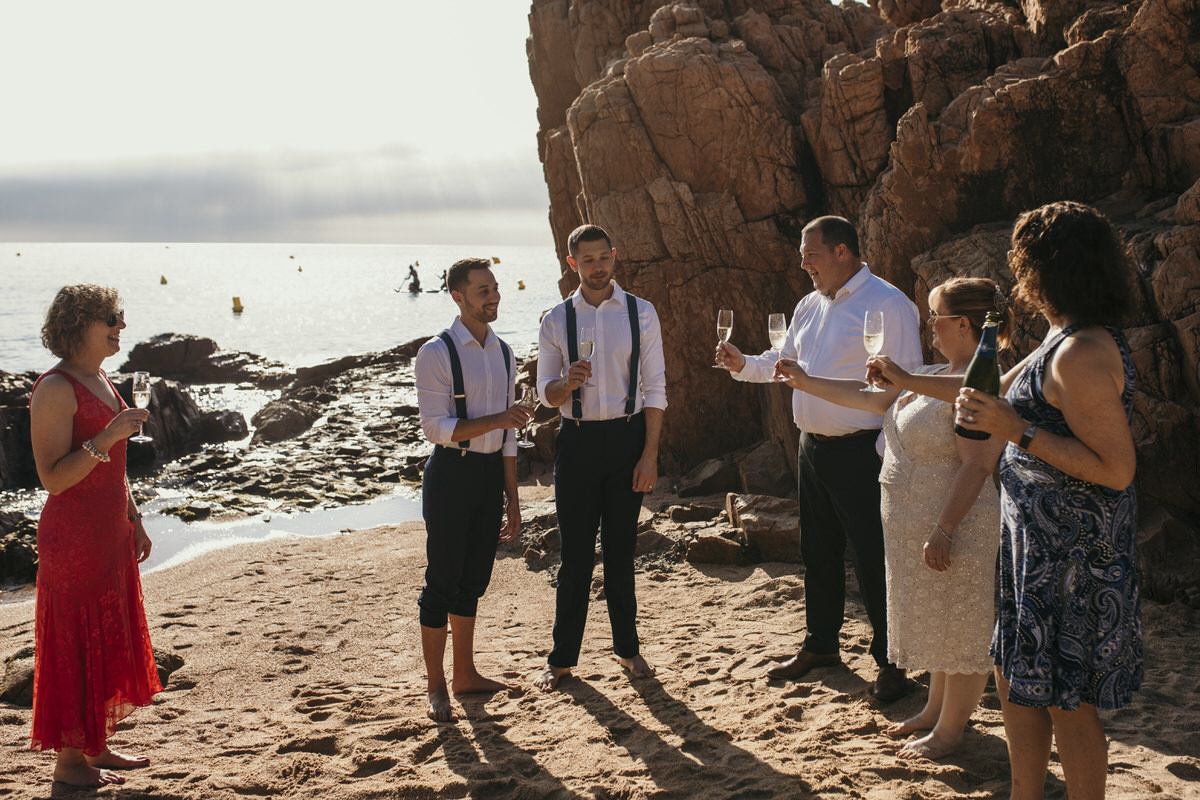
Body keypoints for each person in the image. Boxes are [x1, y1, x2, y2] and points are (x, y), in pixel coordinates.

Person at [951, 202, 1141, 800]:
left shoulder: (1080, 354)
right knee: (1014, 681)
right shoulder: (1061, 335)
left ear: (1044, 269)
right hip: (1033, 547)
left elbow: (1117, 470)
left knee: (1069, 703)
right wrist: (908, 381)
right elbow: (989, 393)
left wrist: (1019, 432)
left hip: (1075, 559)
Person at [784, 277, 1010, 759]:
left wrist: (944, 528)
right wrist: (804, 381)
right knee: (938, 624)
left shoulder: (981, 379)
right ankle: (933, 713)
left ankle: (951, 732)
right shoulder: (933, 371)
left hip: (955, 522)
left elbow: (977, 464)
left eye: (936, 315)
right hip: (913, 520)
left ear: (963, 324)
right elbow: (870, 400)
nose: (930, 324)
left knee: (962, 628)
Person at [714, 215, 921, 702]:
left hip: (862, 451)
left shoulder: (889, 304)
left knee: (874, 558)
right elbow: (782, 366)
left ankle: (893, 663)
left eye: (811, 253)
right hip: (812, 449)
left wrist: (885, 456)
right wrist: (743, 364)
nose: (803, 263)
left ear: (843, 251)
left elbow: (904, 387)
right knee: (819, 552)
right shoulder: (808, 304)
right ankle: (823, 645)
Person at [28, 285, 159, 787]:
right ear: (79, 324)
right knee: (75, 643)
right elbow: (54, 479)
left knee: (104, 637)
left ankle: (96, 746)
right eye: (110, 317)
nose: (121, 325)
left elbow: (114, 468)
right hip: (74, 539)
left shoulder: (100, 376)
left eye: (121, 316)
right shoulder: (55, 387)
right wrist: (108, 435)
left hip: (109, 532)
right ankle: (68, 763)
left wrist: (135, 517)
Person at [533, 224, 667, 690]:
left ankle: (628, 650)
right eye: (586, 261)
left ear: (614, 256)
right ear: (573, 264)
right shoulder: (555, 320)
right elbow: (544, 395)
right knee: (574, 556)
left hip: (628, 440)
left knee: (620, 553)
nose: (596, 267)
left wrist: (649, 454)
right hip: (576, 441)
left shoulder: (641, 313)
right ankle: (562, 658)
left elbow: (655, 389)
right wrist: (565, 384)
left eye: (603, 258)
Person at [414, 258, 532, 722]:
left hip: (488, 477)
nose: (494, 296)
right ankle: (436, 686)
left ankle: (465, 674)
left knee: (473, 581)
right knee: (441, 581)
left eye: (496, 288)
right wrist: (500, 419)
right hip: (450, 475)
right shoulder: (436, 353)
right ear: (458, 297)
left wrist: (513, 498)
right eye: (483, 290)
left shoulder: (504, 352)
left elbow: (508, 437)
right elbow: (435, 428)